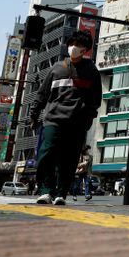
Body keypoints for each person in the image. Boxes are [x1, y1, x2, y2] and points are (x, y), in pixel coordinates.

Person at [30, 30, 102, 205]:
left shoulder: (91, 71)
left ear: (85, 50)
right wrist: (34, 113)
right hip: (53, 119)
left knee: (68, 160)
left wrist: (87, 118)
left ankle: (61, 193)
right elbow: (42, 93)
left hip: (77, 123)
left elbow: (96, 99)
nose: (74, 48)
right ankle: (46, 190)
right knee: (46, 155)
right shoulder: (56, 68)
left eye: (78, 45)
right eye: (72, 44)